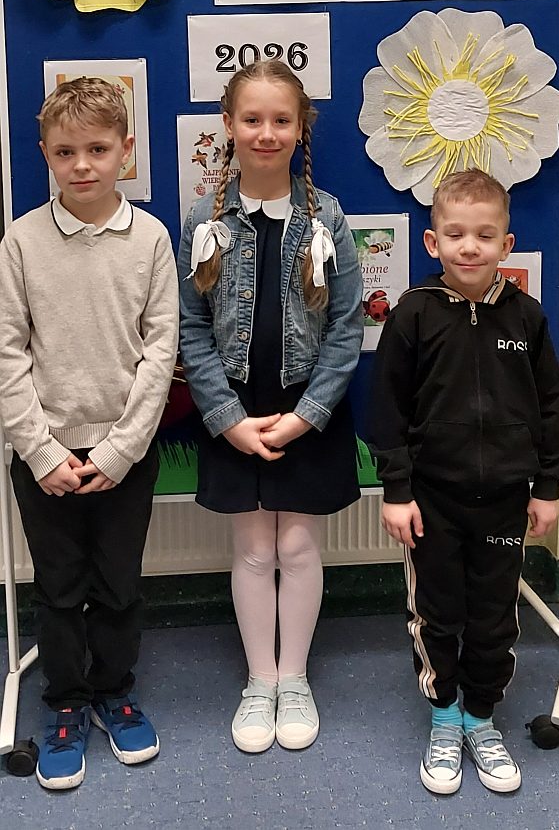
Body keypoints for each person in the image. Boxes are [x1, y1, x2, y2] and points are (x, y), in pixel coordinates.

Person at [178, 58, 363, 753]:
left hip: (306, 405)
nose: (266, 132)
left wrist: (307, 414)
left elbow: (345, 328)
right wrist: (225, 419)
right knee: (256, 549)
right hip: (234, 406)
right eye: (251, 119)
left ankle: (295, 678)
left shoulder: (327, 218)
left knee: (297, 544)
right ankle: (260, 681)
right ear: (228, 125)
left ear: (300, 128)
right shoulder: (203, 219)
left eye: (281, 120)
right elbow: (191, 329)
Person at [369, 169, 559, 796]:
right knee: (437, 613)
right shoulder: (413, 314)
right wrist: (397, 491)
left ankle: (481, 718)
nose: (469, 247)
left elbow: (549, 406)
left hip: (506, 500)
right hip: (432, 501)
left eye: (484, 236)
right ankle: (444, 715)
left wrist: (547, 485)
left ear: (505, 244)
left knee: (494, 616)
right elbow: (388, 410)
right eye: (455, 234)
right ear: (433, 243)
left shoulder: (527, 317)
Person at [0, 78, 178, 789]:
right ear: (44, 152)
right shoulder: (21, 241)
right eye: (65, 151)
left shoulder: (152, 239)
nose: (82, 165)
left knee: (118, 582)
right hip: (44, 455)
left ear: (125, 151)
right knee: (59, 584)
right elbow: (9, 353)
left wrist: (121, 448)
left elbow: (161, 352)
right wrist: (41, 450)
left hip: (124, 453)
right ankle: (66, 701)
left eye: (98, 150)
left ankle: (114, 691)